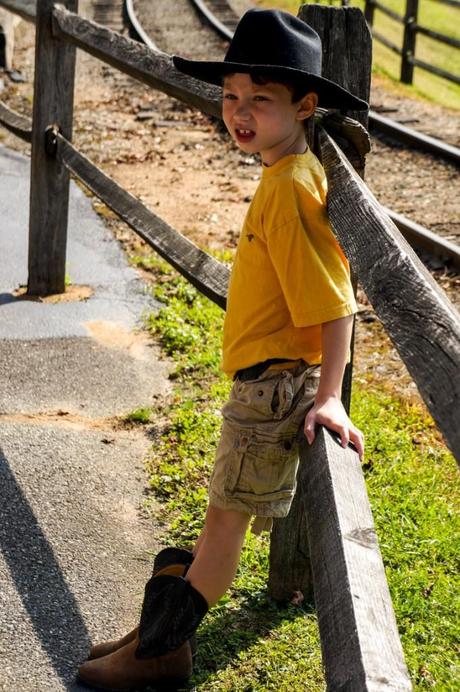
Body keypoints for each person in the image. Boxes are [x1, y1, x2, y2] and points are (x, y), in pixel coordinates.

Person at [77, 8, 366, 690]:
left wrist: (328, 397)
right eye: (231, 97)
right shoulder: (283, 172)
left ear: (305, 105)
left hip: (273, 389)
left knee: (223, 535)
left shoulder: (292, 188)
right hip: (262, 382)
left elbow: (334, 302)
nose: (239, 113)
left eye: (259, 101)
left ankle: (158, 656)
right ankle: (156, 634)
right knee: (215, 521)